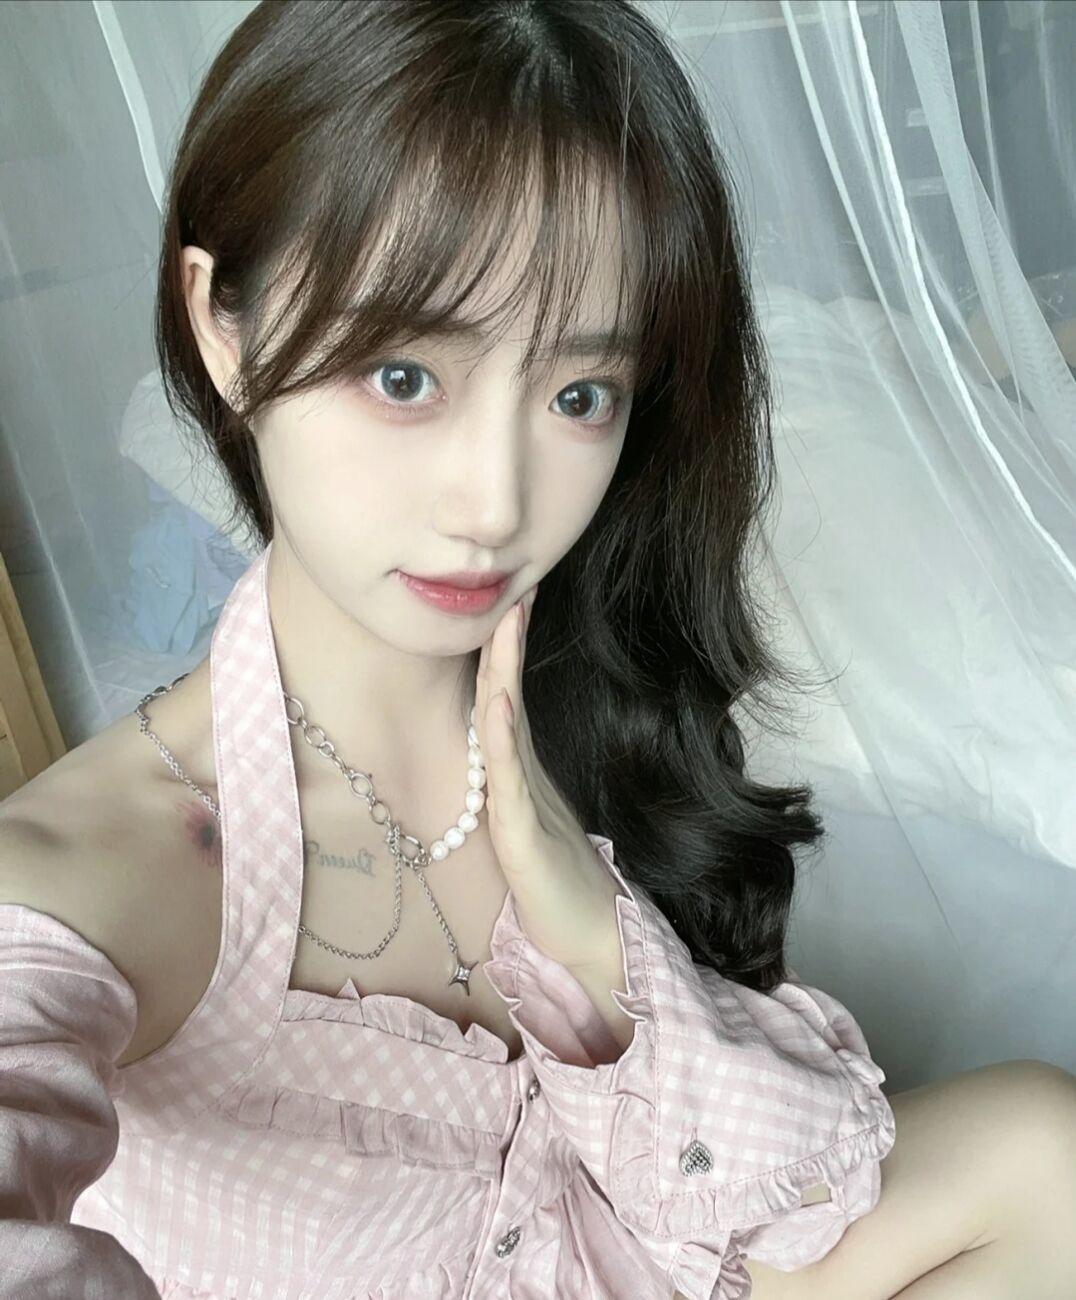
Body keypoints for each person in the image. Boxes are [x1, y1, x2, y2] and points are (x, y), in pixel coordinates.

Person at [2, 2, 1075, 1298]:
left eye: (577, 395)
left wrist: (596, 944)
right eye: (405, 377)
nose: (496, 502)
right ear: (221, 328)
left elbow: (771, 1199)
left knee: (1047, 1155)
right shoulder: (93, 874)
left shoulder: (583, 708)